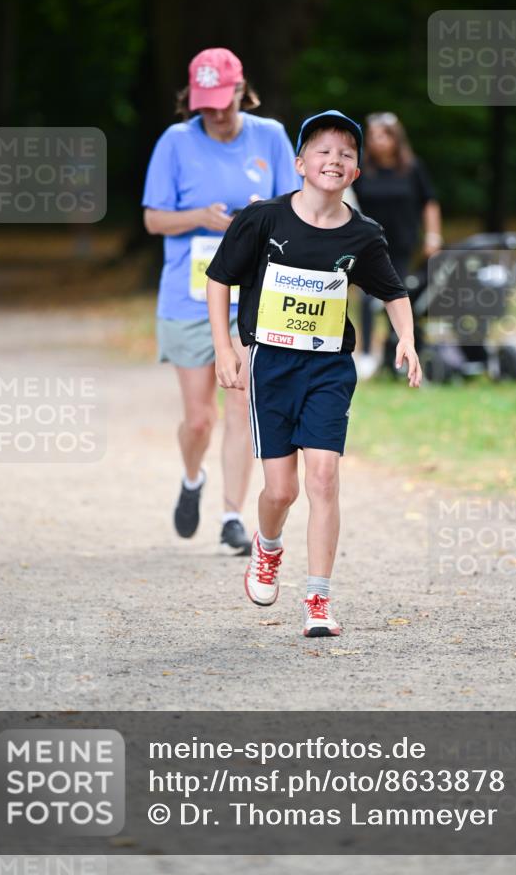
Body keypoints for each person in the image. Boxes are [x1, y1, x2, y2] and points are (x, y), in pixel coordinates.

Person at [206, 111, 421, 637]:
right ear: (300, 163)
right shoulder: (265, 220)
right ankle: (268, 546)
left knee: (323, 476)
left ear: (356, 174)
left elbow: (391, 291)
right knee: (281, 491)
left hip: (328, 368)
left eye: (347, 154)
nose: (335, 160)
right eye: (323, 151)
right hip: (271, 366)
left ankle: (319, 600)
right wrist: (225, 348)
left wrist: (408, 342)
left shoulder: (363, 234)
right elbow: (219, 280)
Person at [142, 48, 298, 555]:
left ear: (240, 90)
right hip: (188, 299)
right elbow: (153, 220)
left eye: (223, 102)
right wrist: (199, 218)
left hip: (250, 297)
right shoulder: (175, 142)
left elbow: (297, 209)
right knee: (199, 419)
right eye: (204, 104)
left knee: (241, 403)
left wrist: (262, 216)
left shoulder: (270, 136)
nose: (216, 113)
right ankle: (192, 478)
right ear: (193, 99)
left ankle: (233, 516)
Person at [352, 112, 442, 378]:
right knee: (368, 300)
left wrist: (433, 235)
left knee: (398, 295)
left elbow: (429, 201)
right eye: (373, 137)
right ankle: (367, 353)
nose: (378, 142)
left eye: (383, 135)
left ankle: (399, 352)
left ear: (395, 138)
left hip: (402, 244)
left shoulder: (412, 168)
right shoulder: (361, 170)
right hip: (367, 245)